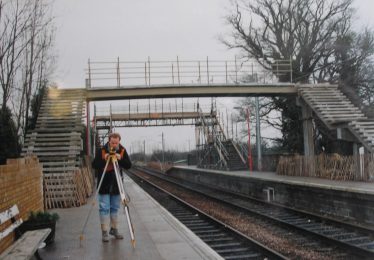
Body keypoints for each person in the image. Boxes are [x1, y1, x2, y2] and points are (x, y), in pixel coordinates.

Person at [92, 132, 132, 242]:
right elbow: (94, 165)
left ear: (119, 141)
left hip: (116, 185)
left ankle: (114, 229)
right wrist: (104, 158)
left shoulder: (122, 150)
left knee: (115, 208)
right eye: (112, 142)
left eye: (116, 142)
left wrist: (120, 158)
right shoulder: (102, 150)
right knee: (104, 208)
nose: (114, 145)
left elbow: (129, 165)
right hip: (104, 184)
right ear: (109, 140)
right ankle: (104, 232)